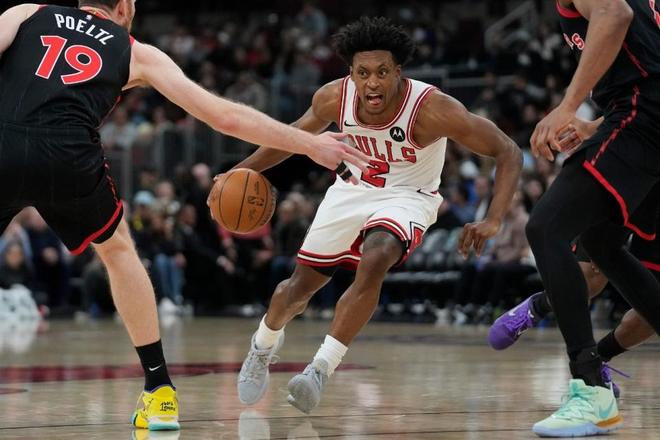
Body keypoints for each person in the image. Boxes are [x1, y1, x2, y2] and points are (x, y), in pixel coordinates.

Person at [0, 0, 369, 431]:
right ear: (124, 7)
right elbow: (224, 116)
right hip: (68, 155)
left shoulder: (27, 12)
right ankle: (159, 391)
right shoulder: (135, 50)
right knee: (118, 253)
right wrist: (309, 144)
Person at [230, 17, 522, 414]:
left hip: (409, 196)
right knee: (295, 291)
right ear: (351, 73)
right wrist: (239, 172)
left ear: (398, 72)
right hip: (351, 189)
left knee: (377, 256)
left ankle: (320, 368)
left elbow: (507, 151)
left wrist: (494, 218)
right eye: (363, 73)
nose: (372, 82)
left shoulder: (432, 109)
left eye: (382, 72)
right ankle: (262, 345)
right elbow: (291, 138)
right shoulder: (333, 98)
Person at [525, 0, 660, 436]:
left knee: (547, 227)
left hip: (640, 117)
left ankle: (591, 391)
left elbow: (614, 15)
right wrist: (598, 124)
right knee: (602, 244)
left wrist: (568, 106)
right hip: (640, 117)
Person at [489, 118, 657, 392]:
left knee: (648, 313)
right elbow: (641, 104)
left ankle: (598, 360)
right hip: (637, 160)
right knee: (590, 276)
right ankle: (538, 307)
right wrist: (591, 125)